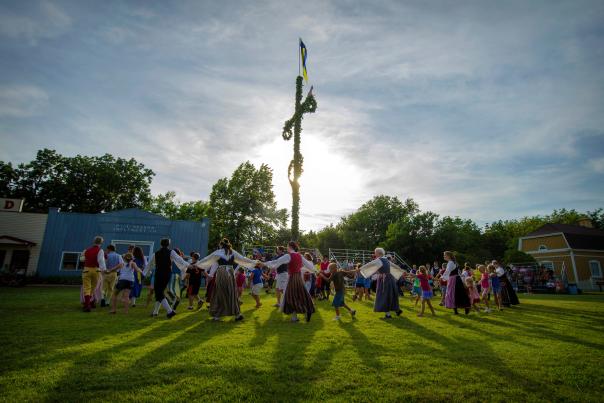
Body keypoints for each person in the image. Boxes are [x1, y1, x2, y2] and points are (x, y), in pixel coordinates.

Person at [194, 238, 258, 321]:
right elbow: (243, 259)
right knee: (231, 292)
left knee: (220, 292)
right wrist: (254, 262)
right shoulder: (233, 252)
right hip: (230, 273)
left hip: (222, 272)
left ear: (221, 245)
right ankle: (237, 314)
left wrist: (197, 264)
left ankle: (217, 315)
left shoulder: (219, 252)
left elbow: (207, 259)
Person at [262, 241, 316, 322]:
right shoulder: (300, 256)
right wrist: (315, 271)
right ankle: (301, 314)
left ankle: (297, 316)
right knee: (301, 295)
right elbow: (310, 266)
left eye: (287, 246)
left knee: (291, 296)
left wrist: (264, 264)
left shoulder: (288, 256)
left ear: (290, 247)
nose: (286, 248)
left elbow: (276, 262)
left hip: (292, 278)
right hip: (298, 278)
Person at [146, 238, 189, 319]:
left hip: (159, 274)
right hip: (167, 274)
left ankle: (170, 311)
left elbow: (150, 265)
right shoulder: (171, 252)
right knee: (160, 292)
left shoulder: (156, 253)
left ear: (161, 244)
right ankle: (155, 312)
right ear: (168, 244)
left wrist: (145, 274)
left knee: (159, 293)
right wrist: (189, 265)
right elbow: (180, 259)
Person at [359, 248, 404, 319]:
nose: (374, 254)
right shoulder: (386, 260)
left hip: (385, 280)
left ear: (379, 253)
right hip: (390, 279)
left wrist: (359, 270)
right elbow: (395, 268)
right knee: (391, 295)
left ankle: (388, 315)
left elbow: (368, 266)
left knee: (384, 295)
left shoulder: (379, 260)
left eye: (375, 253)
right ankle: (397, 310)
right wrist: (401, 272)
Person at [81, 236, 107, 312]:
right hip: (96, 270)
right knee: (93, 288)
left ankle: (87, 305)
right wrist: (104, 270)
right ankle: (90, 303)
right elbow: (101, 261)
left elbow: (82, 259)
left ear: (93, 241)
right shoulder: (100, 250)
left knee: (86, 288)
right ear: (101, 243)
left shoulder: (87, 250)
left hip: (86, 269)